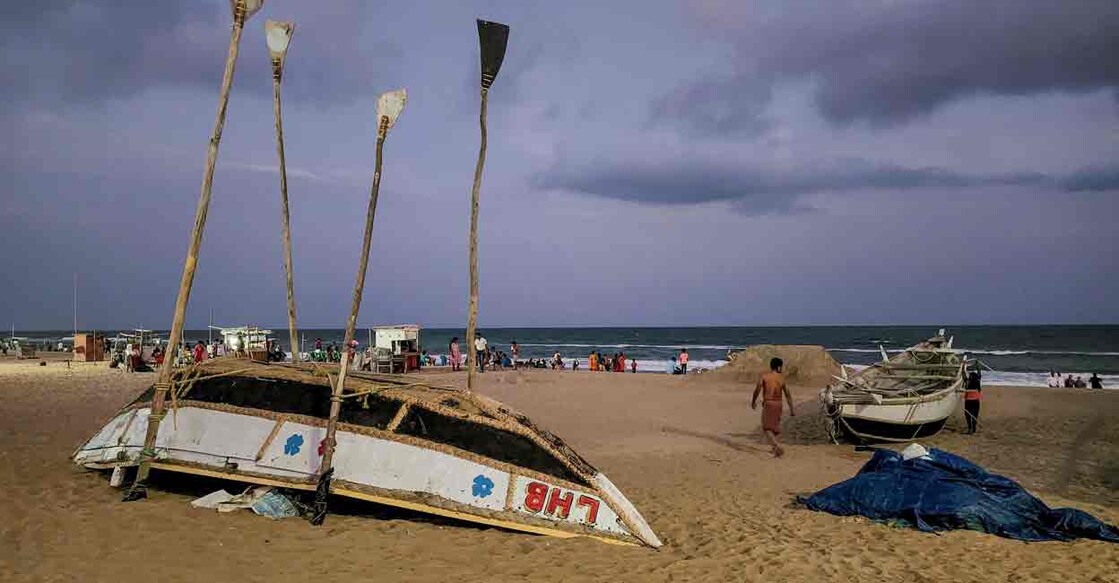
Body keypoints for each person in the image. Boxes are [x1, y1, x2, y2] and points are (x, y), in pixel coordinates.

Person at [751, 357, 795, 457]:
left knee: (766, 428)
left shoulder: (765, 377)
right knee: (774, 428)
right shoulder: (781, 378)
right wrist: (792, 409)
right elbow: (788, 394)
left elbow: (757, 389)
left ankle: (777, 446)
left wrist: (753, 401)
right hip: (779, 404)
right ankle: (775, 448)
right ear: (779, 367)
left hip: (769, 403)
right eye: (781, 366)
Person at [963, 367, 982, 434]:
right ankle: (973, 429)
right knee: (975, 415)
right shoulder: (978, 382)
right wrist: (978, 366)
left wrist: (963, 366)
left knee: (968, 415)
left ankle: (970, 428)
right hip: (976, 401)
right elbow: (979, 374)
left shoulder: (968, 382)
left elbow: (963, 374)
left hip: (968, 401)